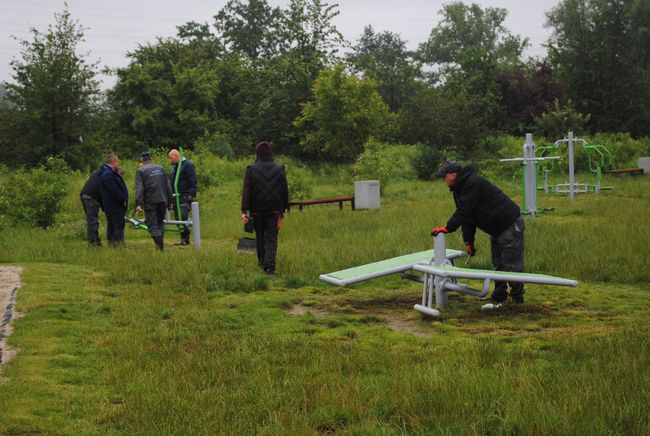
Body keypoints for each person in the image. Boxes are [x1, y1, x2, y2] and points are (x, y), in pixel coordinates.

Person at [431, 161, 526, 304]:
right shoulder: (459, 188)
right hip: (497, 229)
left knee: (511, 264)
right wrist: (469, 241)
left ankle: (517, 299)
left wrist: (448, 228)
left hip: (509, 225)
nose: (443, 180)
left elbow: (465, 210)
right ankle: (499, 296)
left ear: (453, 175)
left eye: (444, 177)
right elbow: (467, 217)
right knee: (498, 264)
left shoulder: (472, 183)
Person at [241, 141, 289, 274]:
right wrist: (284, 207)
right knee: (272, 238)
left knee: (260, 237)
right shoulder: (279, 169)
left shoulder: (251, 169)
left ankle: (262, 262)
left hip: (256, 211)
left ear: (257, 153)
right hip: (274, 210)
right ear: (270, 152)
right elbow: (284, 189)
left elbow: (246, 191)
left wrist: (244, 210)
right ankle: (270, 266)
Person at [135, 152, 173, 251]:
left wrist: (138, 204)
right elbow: (168, 186)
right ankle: (159, 247)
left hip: (150, 201)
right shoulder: (161, 168)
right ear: (151, 158)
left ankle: (160, 248)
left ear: (142, 160)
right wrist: (170, 201)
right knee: (160, 223)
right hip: (163, 200)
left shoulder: (141, 171)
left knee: (152, 225)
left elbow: (140, 188)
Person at [168, 149, 197, 246]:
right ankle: (183, 238)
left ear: (176, 156)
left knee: (183, 216)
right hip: (175, 196)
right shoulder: (174, 167)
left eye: (171, 158)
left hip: (184, 196)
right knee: (177, 218)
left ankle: (185, 238)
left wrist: (191, 194)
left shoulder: (187, 165)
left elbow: (193, 180)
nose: (170, 160)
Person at [99, 154, 128, 246]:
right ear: (114, 162)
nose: (118, 164)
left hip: (110, 205)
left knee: (112, 225)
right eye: (117, 161)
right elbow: (113, 189)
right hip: (114, 205)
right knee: (117, 226)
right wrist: (121, 198)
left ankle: (113, 244)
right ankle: (118, 244)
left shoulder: (106, 172)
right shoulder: (108, 174)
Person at [80, 165, 104, 246]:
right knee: (92, 221)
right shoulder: (104, 174)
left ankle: (95, 240)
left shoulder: (99, 172)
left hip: (87, 196)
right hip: (90, 198)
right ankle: (93, 242)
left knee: (92, 220)